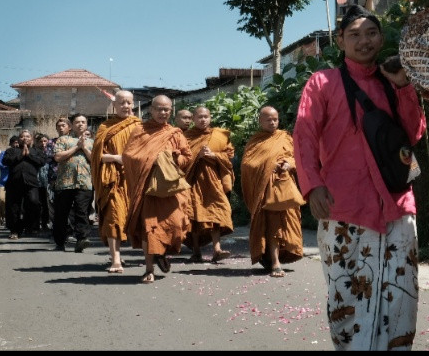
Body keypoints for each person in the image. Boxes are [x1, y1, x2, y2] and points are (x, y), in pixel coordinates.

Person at [294, 5, 426, 350]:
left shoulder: (393, 79)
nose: (363, 41)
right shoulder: (323, 82)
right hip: (343, 207)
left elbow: (413, 133)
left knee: (401, 299)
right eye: (354, 34)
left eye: (371, 33)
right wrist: (313, 185)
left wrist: (403, 87)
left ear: (381, 38)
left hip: (397, 206)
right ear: (340, 41)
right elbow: (305, 133)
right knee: (346, 303)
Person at [121, 94, 193, 284]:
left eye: (166, 109)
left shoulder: (175, 133)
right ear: (151, 110)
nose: (162, 112)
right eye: (159, 109)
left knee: (176, 226)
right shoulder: (140, 131)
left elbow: (188, 157)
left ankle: (160, 253)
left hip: (170, 188)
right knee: (149, 229)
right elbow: (129, 156)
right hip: (148, 189)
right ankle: (149, 269)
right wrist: (150, 159)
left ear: (171, 111)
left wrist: (174, 157)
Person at [242, 105, 304, 278]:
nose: (272, 122)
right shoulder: (255, 142)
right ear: (260, 121)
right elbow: (248, 165)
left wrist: (290, 164)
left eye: (275, 119)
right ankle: (275, 262)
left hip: (286, 188)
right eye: (268, 119)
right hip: (266, 190)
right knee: (271, 225)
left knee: (288, 223)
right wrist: (269, 166)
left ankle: (279, 256)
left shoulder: (285, 137)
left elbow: (298, 157)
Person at [91, 89, 139, 273]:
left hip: (134, 179)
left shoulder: (139, 126)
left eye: (128, 102)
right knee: (113, 217)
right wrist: (115, 158)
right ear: (114, 105)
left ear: (133, 104)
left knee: (137, 219)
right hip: (112, 180)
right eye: (121, 103)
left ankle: (150, 257)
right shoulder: (105, 128)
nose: (125, 106)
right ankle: (116, 259)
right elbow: (98, 157)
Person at [182, 105, 235, 264]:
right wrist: (196, 157)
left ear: (210, 118)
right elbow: (180, 160)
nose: (203, 119)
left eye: (206, 116)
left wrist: (213, 155)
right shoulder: (186, 137)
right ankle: (196, 251)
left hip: (213, 182)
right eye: (199, 117)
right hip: (192, 182)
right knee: (194, 217)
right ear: (193, 119)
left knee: (217, 213)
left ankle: (217, 249)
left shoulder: (219, 136)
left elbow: (229, 156)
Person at [52, 114, 94, 253]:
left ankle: (82, 239)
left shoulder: (93, 142)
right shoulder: (63, 139)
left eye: (83, 122)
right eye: (77, 122)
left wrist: (85, 148)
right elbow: (58, 157)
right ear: (72, 125)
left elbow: (95, 160)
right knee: (61, 214)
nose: (80, 124)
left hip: (84, 182)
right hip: (65, 183)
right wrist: (77, 147)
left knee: (82, 212)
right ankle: (60, 242)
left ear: (86, 124)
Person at [3, 130, 44, 239]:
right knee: (13, 208)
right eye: (22, 136)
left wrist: (29, 155)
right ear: (18, 139)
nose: (24, 138)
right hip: (14, 183)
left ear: (31, 139)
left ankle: (31, 226)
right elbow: (6, 161)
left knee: (34, 202)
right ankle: (14, 230)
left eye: (27, 136)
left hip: (31, 183)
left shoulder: (36, 151)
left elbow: (41, 162)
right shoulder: (11, 151)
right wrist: (21, 155)